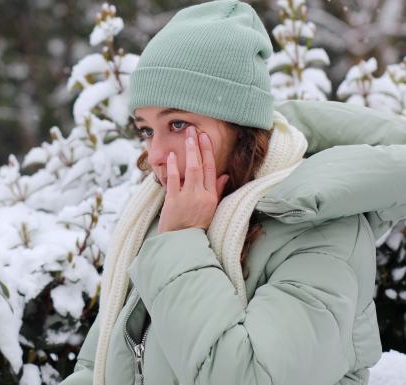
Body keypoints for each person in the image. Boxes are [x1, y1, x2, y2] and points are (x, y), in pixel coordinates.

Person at [59, 1, 406, 385]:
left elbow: (250, 377)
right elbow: (102, 368)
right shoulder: (166, 214)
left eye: (177, 123)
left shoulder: (321, 235)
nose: (155, 155)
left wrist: (179, 244)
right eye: (146, 130)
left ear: (241, 127)